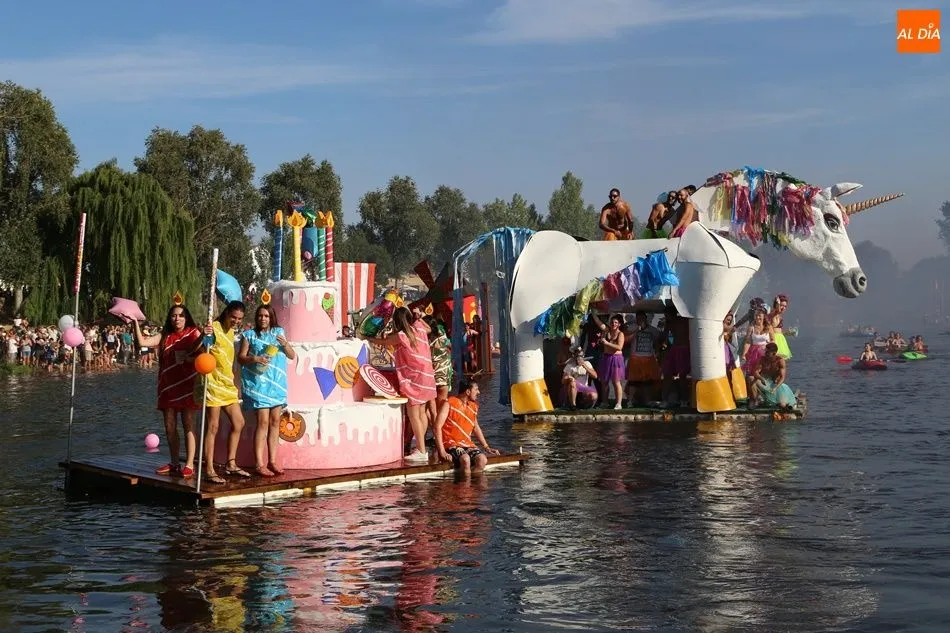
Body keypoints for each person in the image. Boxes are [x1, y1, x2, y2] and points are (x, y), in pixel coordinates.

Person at [133, 302, 204, 477]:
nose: (177, 318)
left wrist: (189, 357)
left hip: (187, 384)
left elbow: (203, 354)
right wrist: (135, 322)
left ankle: (189, 464)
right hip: (167, 386)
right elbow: (142, 342)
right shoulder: (164, 335)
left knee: (188, 424)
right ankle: (174, 463)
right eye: (174, 315)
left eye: (181, 315)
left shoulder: (193, 333)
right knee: (169, 426)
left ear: (186, 318)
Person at [238, 302, 296, 477]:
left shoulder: (278, 333)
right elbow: (241, 358)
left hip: (276, 384)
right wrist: (255, 358)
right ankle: (259, 463)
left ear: (271, 318)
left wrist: (285, 344)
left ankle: (272, 460)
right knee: (263, 422)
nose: (263, 319)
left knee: (275, 422)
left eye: (266, 316)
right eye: (260, 316)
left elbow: (292, 355)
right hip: (258, 385)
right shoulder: (249, 335)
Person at [377, 307, 437, 462]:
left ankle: (421, 451)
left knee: (414, 414)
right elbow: (429, 328)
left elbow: (383, 342)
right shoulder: (419, 328)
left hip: (414, 378)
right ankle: (421, 448)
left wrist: (367, 338)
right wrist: (419, 317)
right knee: (422, 413)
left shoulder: (402, 335)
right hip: (427, 376)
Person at [201, 300, 250, 484]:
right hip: (213, 382)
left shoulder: (231, 332)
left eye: (239, 319)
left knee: (239, 422)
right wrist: (204, 337)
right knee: (213, 426)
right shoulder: (213, 327)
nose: (236, 321)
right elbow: (202, 349)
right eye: (233, 317)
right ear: (227, 313)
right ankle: (209, 469)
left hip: (227, 384)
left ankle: (231, 463)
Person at [434, 379, 500, 474]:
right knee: (465, 459)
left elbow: (475, 427)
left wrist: (486, 447)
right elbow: (437, 427)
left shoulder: (473, 406)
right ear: (468, 391)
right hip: (450, 444)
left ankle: (473, 481)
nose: (479, 392)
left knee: (482, 460)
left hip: (467, 444)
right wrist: (442, 451)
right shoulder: (448, 403)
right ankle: (464, 483)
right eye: (476, 389)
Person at [590, 312, 626, 409]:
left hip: (616, 359)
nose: (613, 324)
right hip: (606, 358)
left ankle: (618, 403)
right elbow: (598, 322)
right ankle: (605, 402)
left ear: (619, 324)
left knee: (616, 381)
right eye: (612, 322)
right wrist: (593, 312)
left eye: (616, 322)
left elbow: (619, 347)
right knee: (604, 381)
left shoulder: (620, 334)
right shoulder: (607, 330)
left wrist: (606, 343)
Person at [625, 311, 661, 405]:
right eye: (638, 318)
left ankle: (647, 400)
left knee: (647, 381)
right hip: (635, 357)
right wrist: (637, 330)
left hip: (649, 358)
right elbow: (626, 340)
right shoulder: (632, 328)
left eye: (642, 318)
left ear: (645, 318)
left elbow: (657, 342)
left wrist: (657, 353)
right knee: (633, 381)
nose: (640, 320)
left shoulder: (653, 330)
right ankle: (630, 400)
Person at [424, 315, 453, 425]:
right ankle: (439, 430)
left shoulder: (424, 339)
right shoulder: (441, 335)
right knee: (441, 406)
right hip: (444, 372)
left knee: (428, 408)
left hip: (431, 372)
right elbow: (450, 345)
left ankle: (433, 428)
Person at [750, 342, 797, 408]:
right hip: (765, 382)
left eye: (767, 352)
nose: (765, 353)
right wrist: (761, 378)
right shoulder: (762, 359)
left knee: (782, 405)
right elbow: (756, 372)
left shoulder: (780, 361)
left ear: (774, 353)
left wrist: (775, 388)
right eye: (765, 351)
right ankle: (755, 400)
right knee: (751, 378)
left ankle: (773, 399)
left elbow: (782, 377)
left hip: (776, 385)